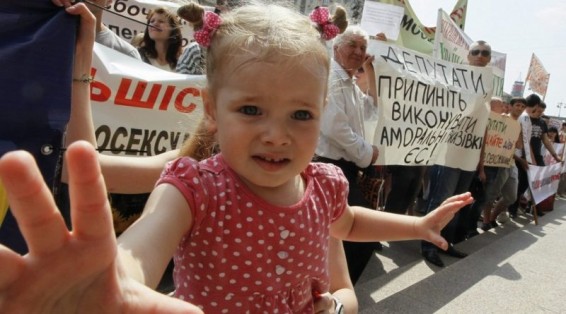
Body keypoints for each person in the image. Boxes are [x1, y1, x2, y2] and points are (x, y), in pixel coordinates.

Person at [0, 2, 474, 313]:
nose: (277, 135)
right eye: (251, 110)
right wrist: (113, 283)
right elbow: (139, 249)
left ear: (322, 111)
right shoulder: (192, 187)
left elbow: (347, 225)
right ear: (212, 108)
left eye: (301, 114)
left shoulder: (325, 184)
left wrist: (415, 227)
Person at [315, 24, 381, 284]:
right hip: (329, 166)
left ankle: (331, 291)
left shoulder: (350, 83)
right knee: (361, 235)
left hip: (344, 170)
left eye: (363, 47)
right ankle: (339, 291)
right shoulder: (332, 80)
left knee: (338, 236)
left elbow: (372, 110)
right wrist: (368, 153)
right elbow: (335, 128)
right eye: (352, 45)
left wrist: (372, 72)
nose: (358, 51)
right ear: (336, 47)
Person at [421, 40, 493, 267]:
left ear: (489, 59)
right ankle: (428, 246)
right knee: (440, 201)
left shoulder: (488, 88)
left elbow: (482, 126)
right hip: (448, 154)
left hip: (468, 157)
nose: (480, 56)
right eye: (476, 52)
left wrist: (480, 163)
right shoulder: (454, 80)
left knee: (456, 204)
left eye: (485, 53)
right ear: (468, 57)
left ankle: (445, 243)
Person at [138, 7, 183, 71]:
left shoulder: (182, 62)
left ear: (173, 29)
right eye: (152, 21)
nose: (155, 24)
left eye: (161, 21)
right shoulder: (137, 55)